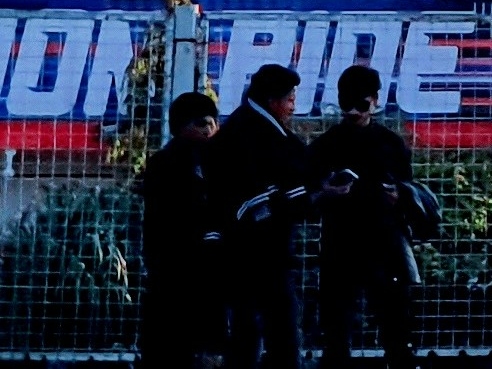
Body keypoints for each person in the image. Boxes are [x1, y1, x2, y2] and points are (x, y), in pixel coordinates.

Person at [312, 62, 434, 369]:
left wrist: (398, 196)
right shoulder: (326, 145)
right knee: (338, 330)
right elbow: (310, 193)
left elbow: (408, 186)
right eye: (346, 103)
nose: (353, 111)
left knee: (395, 325)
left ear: (375, 101)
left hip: (382, 242)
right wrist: (327, 192)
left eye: (361, 103)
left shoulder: (390, 144)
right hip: (342, 242)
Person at [207, 64, 315, 369]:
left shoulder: (238, 131)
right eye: (290, 98)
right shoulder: (263, 138)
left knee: (246, 332)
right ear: (272, 100)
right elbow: (282, 195)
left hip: (241, 252)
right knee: (279, 332)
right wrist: (317, 195)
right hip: (260, 252)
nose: (294, 105)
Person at [137, 91, 224, 369]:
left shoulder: (213, 161)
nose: (209, 129)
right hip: (180, 271)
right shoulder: (170, 164)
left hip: (190, 274)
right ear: (181, 127)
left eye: (213, 122)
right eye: (201, 123)